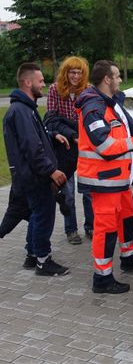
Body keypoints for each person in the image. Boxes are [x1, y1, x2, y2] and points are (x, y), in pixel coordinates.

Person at [76, 60, 133, 294]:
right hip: (104, 182)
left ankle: (130, 257)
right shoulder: (93, 108)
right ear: (107, 79)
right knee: (105, 229)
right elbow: (104, 145)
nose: (120, 80)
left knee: (127, 217)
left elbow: (123, 133)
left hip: (121, 180)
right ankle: (102, 279)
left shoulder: (112, 104)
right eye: (117, 76)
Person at [3, 63, 70, 275]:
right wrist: (51, 171)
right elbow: (31, 148)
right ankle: (43, 260)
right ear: (27, 82)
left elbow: (34, 137)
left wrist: (51, 135)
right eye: (40, 81)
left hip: (32, 176)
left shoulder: (26, 108)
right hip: (35, 177)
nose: (44, 84)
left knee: (36, 215)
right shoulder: (21, 111)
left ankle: (32, 255)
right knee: (43, 216)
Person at [46, 56, 93, 244]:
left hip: (85, 149)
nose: (75, 76)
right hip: (64, 149)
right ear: (65, 73)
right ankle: (71, 229)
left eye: (79, 72)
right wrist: (67, 132)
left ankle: (91, 226)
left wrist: (67, 126)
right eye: (72, 72)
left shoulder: (88, 91)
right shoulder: (55, 89)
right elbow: (50, 120)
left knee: (89, 193)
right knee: (68, 193)